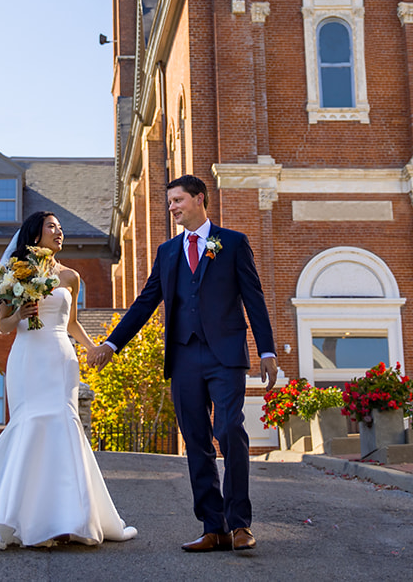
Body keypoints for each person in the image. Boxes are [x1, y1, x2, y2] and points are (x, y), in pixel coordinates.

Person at [86, 175, 276, 554]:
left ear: (199, 199)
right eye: (169, 202)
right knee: (196, 441)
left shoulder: (233, 243)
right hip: (184, 356)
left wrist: (267, 350)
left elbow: (253, 298)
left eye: (177, 200)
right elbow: (144, 302)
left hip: (225, 356)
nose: (171, 207)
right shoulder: (168, 252)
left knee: (228, 429)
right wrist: (112, 342)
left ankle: (240, 525)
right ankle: (214, 527)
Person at [0, 210, 137, 548]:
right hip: (28, 356)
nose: (59, 232)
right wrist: (20, 313)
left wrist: (93, 348)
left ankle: (69, 519)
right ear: (35, 233)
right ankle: (18, 517)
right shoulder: (14, 272)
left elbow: (71, 323)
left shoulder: (71, 276)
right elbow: (3, 326)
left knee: (63, 423)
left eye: (60, 227)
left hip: (60, 356)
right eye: (51, 227)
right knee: (29, 423)